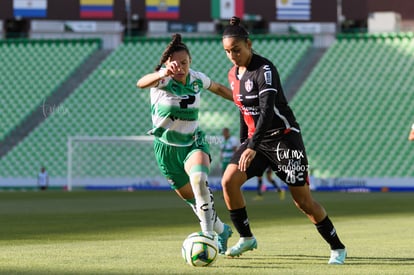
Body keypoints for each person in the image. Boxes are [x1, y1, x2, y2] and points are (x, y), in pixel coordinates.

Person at [220, 17, 347, 264]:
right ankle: (246, 237)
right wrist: (243, 143)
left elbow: (267, 111)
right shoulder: (233, 75)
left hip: (284, 140)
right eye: (227, 51)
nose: (233, 55)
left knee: (303, 202)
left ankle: (337, 247)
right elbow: (243, 110)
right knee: (228, 181)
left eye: (237, 49)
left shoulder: (264, 70)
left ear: (249, 43)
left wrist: (252, 145)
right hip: (256, 141)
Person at [136, 33, 234, 254]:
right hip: (166, 149)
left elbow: (218, 88)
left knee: (199, 180)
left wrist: (241, 101)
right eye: (176, 63)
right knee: (194, 202)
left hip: (193, 142)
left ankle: (208, 236)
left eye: (184, 63)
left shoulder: (197, 79)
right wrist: (162, 72)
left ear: (190, 62)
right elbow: (141, 83)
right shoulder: (162, 80)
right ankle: (222, 230)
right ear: (167, 64)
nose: (180, 67)